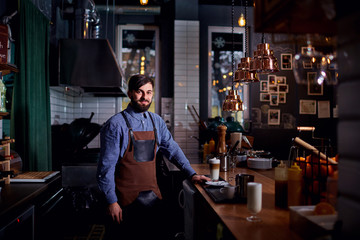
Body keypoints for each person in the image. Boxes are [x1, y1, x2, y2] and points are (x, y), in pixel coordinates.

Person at [97, 74, 210, 240]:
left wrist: (191, 173)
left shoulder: (156, 121)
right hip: (124, 203)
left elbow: (172, 149)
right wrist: (111, 202)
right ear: (130, 94)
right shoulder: (116, 125)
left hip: (153, 198)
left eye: (149, 92)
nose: (145, 97)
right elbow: (105, 168)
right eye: (140, 92)